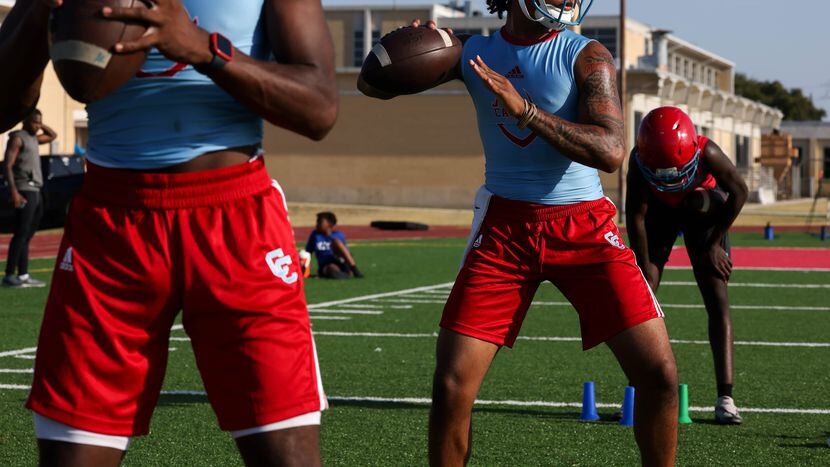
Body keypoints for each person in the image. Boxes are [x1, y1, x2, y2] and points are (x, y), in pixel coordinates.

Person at [0, 0, 337, 465]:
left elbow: (319, 108)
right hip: (113, 225)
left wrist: (204, 48)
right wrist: (39, 15)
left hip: (235, 222)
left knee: (287, 459)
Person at [360, 1, 678, 465]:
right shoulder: (473, 53)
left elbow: (611, 151)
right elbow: (370, 86)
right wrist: (398, 48)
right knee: (451, 386)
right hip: (505, 228)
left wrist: (526, 109)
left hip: (583, 225)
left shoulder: (587, 54)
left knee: (659, 374)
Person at [626, 106, 748, 425]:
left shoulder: (707, 151)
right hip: (660, 214)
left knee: (717, 297)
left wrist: (712, 245)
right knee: (642, 297)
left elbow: (739, 191)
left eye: (674, 171)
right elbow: (635, 215)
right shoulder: (638, 161)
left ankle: (726, 397)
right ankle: (635, 392)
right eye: (660, 172)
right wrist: (643, 266)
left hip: (703, 210)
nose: (668, 179)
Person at [3, 109, 56, 288]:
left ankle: (23, 275)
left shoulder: (34, 137)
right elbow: (8, 165)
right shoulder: (18, 138)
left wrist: (41, 125)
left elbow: (52, 135)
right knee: (20, 233)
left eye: (39, 123)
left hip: (37, 190)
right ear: (26, 121)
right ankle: (9, 275)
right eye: (35, 122)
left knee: (27, 235)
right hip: (24, 189)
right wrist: (14, 192)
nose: (38, 126)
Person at [304, 211, 363, 279]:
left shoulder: (338, 235)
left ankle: (354, 269)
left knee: (336, 242)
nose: (317, 224)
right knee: (331, 268)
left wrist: (330, 236)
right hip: (326, 264)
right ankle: (347, 275)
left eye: (320, 222)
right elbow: (308, 253)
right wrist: (305, 270)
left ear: (330, 224)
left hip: (340, 261)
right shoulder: (315, 235)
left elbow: (346, 252)